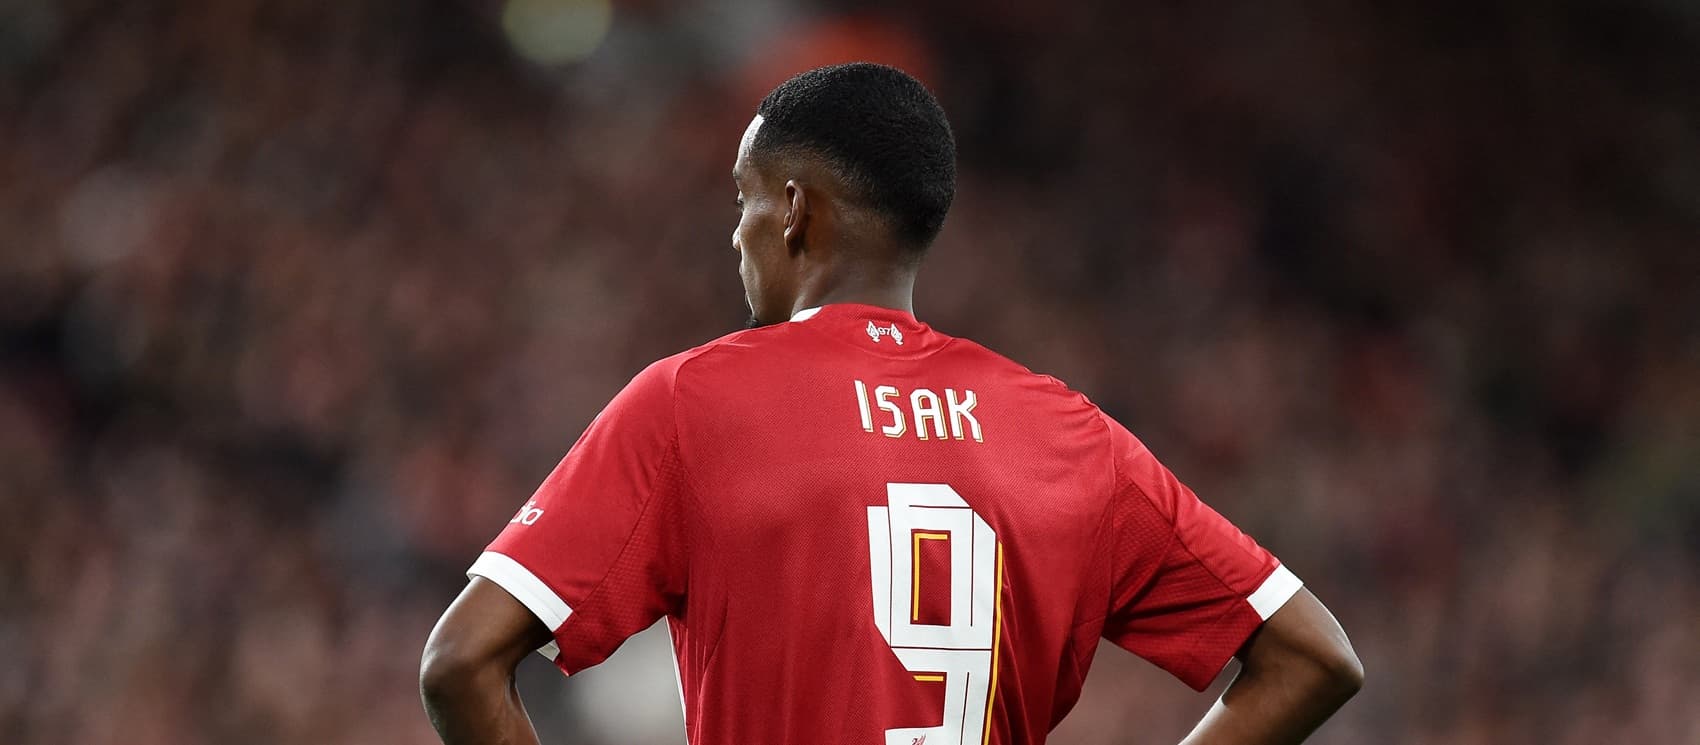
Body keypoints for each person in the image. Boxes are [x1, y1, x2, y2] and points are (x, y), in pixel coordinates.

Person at [420, 62, 1362, 745]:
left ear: (795, 210)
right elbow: (1314, 657)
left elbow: (460, 661)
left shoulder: (693, 402)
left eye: (745, 200)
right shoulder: (1069, 433)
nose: (737, 234)